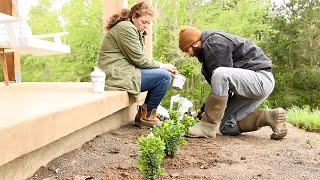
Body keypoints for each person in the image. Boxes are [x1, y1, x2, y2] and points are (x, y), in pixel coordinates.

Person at [178, 26, 287, 140]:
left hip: (261, 79)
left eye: (187, 50)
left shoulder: (213, 42)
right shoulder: (209, 51)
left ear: (195, 43)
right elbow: (222, 91)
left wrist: (208, 117)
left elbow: (223, 80)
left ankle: (207, 127)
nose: (189, 55)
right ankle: (269, 117)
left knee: (220, 74)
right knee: (227, 126)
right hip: (250, 86)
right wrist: (204, 110)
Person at [97, 2, 178, 127]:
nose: (146, 26)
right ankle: (147, 116)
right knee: (163, 77)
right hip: (116, 75)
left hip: (123, 71)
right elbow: (140, 60)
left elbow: (141, 60)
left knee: (162, 75)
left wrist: (161, 67)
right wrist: (163, 66)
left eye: (148, 23)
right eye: (144, 22)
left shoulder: (131, 28)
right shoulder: (126, 28)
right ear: (134, 16)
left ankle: (144, 114)